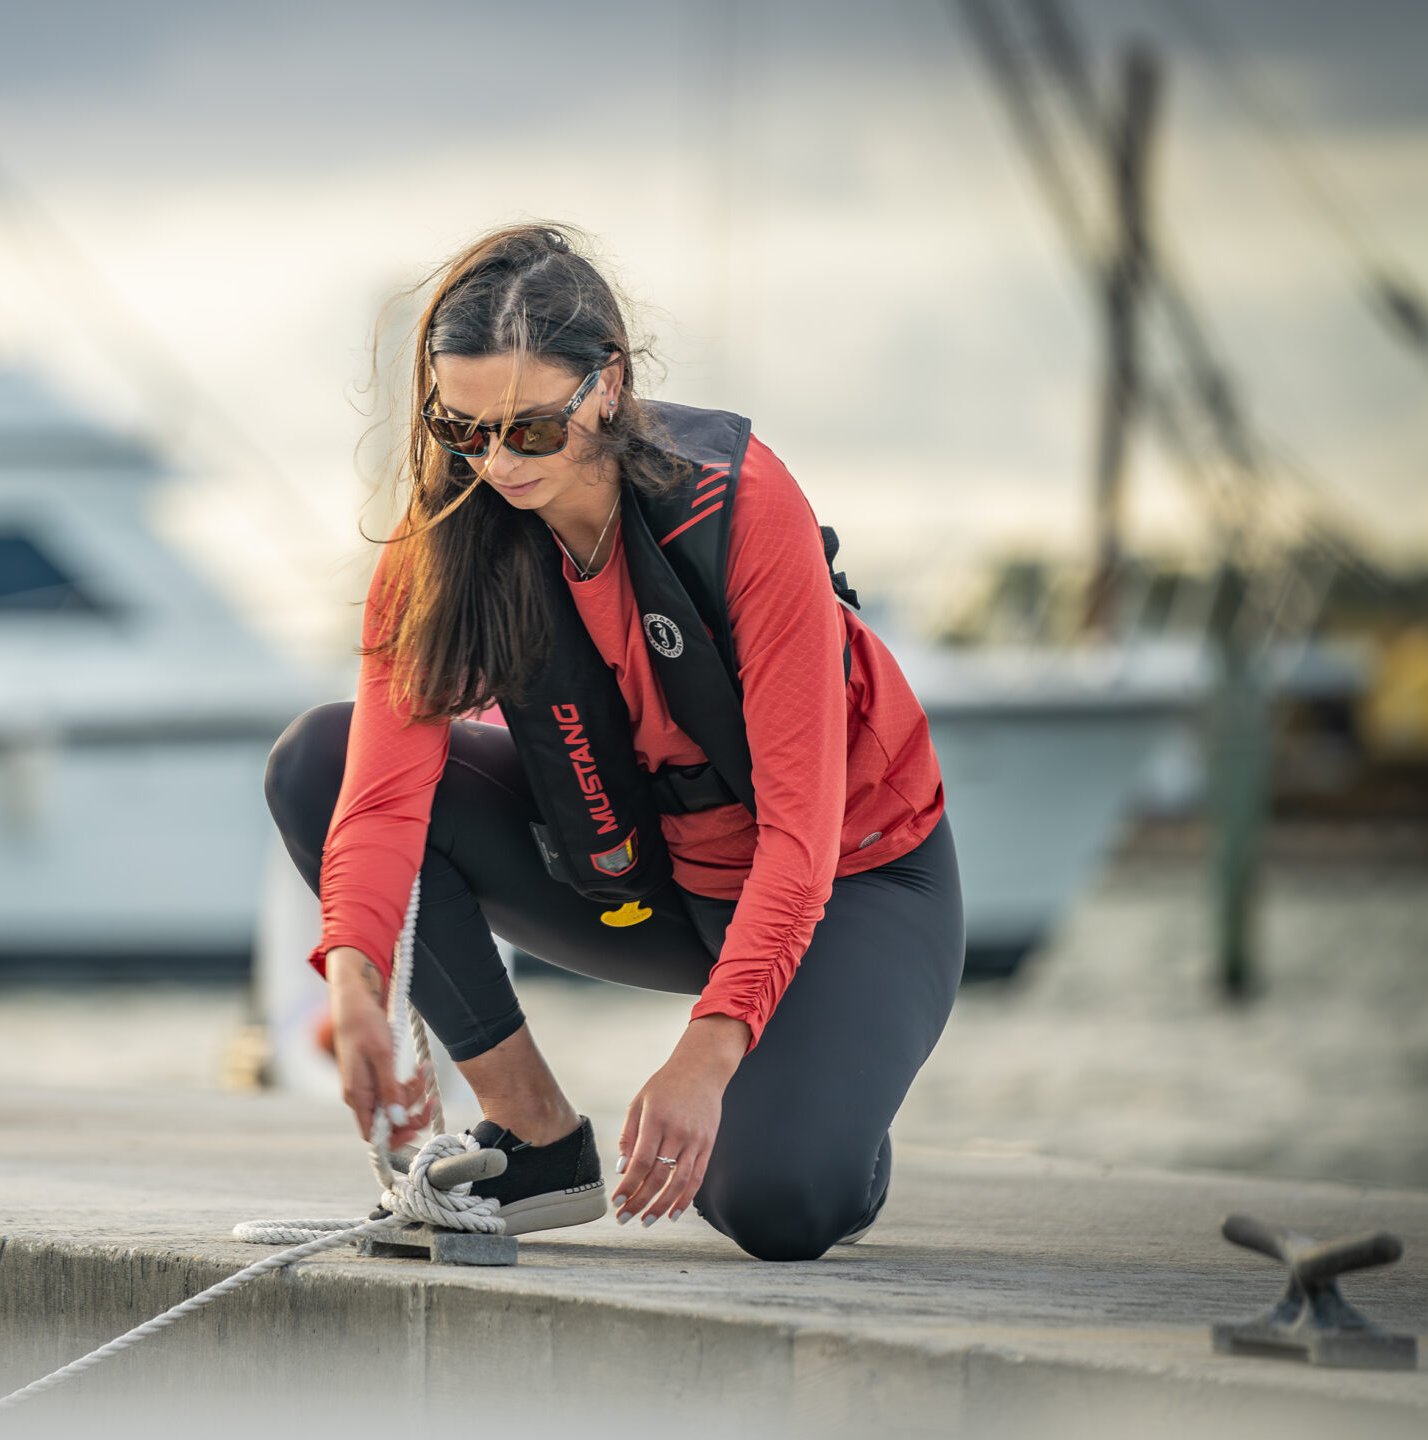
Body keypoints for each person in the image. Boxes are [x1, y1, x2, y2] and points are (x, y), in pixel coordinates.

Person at [264, 224, 962, 1262]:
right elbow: (375, 802)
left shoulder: (740, 506)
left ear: (607, 388)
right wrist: (358, 983)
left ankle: (830, 1094)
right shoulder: (446, 538)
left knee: (774, 1205)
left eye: (530, 431)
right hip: (651, 882)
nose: (494, 463)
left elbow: (803, 835)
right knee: (314, 762)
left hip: (852, 887)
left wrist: (704, 1056)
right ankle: (537, 1142)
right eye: (460, 430)